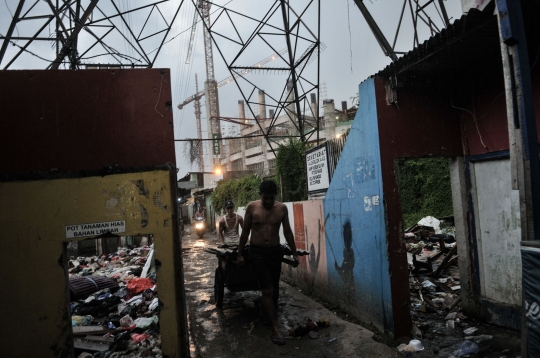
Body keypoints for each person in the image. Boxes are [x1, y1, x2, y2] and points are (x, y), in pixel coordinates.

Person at [236, 180, 298, 346]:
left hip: (274, 253)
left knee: (274, 287)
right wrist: (240, 254)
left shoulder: (282, 209)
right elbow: (245, 232)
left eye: (271, 198)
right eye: (265, 198)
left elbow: (287, 231)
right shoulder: (252, 207)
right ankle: (274, 328)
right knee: (267, 289)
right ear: (260, 196)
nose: (268, 201)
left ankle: (267, 313)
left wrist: (295, 253)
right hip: (257, 253)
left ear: (275, 197)